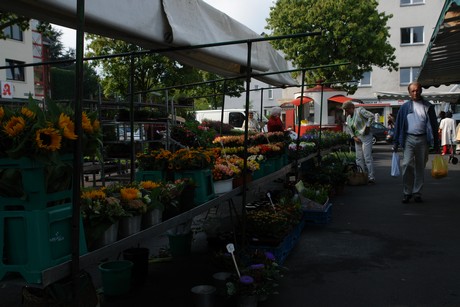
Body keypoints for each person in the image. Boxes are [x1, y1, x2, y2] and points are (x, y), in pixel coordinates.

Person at [392, 81, 439, 204]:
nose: (415, 92)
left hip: (423, 139)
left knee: (420, 167)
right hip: (409, 139)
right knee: (407, 164)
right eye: (412, 91)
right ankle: (407, 192)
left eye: (417, 90)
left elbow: (434, 126)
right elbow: (398, 125)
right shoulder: (405, 107)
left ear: (421, 91)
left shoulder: (428, 106)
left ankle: (417, 192)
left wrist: (437, 144)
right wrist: (396, 142)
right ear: (409, 93)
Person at [342, 100, 376, 184]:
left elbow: (371, 116)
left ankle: (371, 177)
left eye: (347, 109)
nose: (346, 112)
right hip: (357, 138)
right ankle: (362, 175)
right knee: (358, 157)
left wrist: (367, 126)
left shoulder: (360, 111)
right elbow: (349, 129)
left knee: (367, 156)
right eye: (345, 110)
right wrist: (354, 137)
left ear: (352, 107)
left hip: (366, 136)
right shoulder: (348, 118)